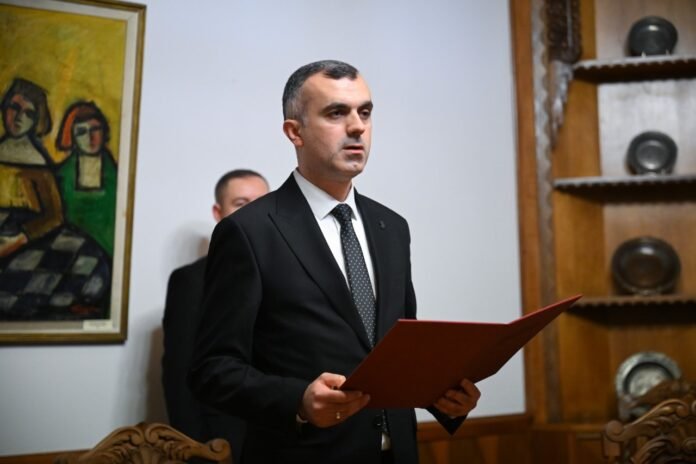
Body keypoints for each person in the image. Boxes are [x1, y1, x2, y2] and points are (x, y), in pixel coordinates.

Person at [189, 60, 480, 464]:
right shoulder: (249, 231)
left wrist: (443, 398)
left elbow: (396, 348)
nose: (357, 127)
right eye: (336, 113)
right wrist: (298, 400)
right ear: (295, 132)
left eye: (365, 112)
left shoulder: (392, 227)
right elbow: (212, 369)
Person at [162, 169, 269, 464]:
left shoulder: (290, 272)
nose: (253, 213)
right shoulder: (191, 281)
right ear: (218, 213)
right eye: (241, 203)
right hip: (222, 441)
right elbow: (179, 377)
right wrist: (197, 451)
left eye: (261, 203)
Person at [55, 101, 117, 255]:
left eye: (95, 129)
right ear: (72, 137)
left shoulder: (118, 177)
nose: (90, 137)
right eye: (81, 132)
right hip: (69, 251)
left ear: (104, 132)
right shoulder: (60, 176)